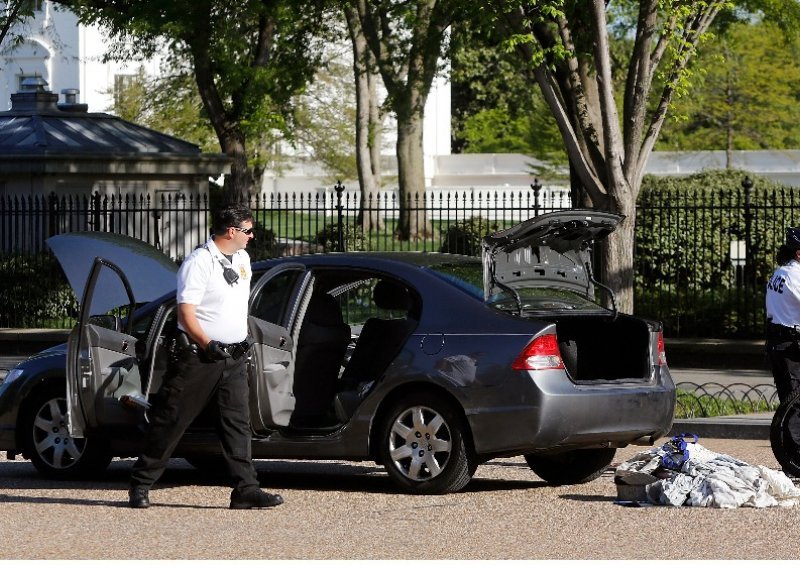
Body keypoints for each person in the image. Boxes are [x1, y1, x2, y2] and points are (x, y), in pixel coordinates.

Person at [128, 204, 283, 510]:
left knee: (237, 424)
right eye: (248, 231)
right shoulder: (199, 262)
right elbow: (186, 314)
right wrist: (208, 343)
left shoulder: (242, 259)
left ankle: (245, 489)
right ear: (231, 231)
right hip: (200, 355)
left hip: (233, 356)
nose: (252, 236)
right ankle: (141, 483)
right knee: (172, 419)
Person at [766, 227, 800, 403]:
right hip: (791, 347)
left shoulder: (780, 272)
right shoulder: (796, 276)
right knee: (795, 405)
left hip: (777, 342)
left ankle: (782, 431)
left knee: (788, 401)